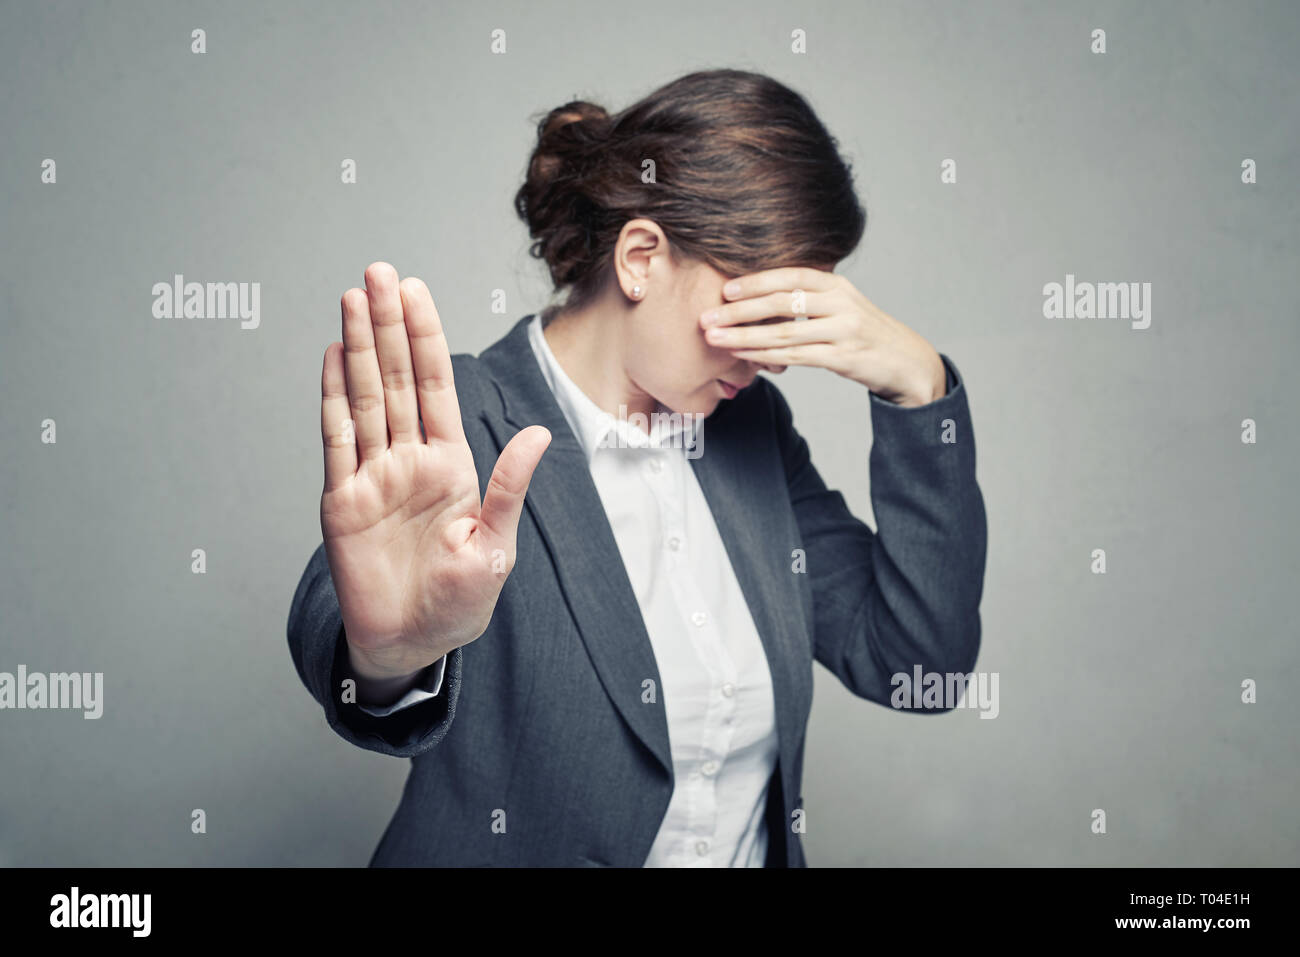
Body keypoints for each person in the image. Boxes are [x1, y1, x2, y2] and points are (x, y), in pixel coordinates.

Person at [287, 68, 988, 867]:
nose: (778, 358)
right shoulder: (466, 419)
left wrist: (918, 381)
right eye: (761, 311)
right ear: (643, 257)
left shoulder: (751, 430)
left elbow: (918, 662)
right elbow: (347, 630)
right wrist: (384, 658)